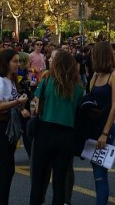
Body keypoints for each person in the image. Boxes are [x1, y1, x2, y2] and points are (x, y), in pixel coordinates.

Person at [29, 50, 84, 205]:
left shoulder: (47, 81)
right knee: (59, 182)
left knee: (39, 180)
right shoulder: (78, 87)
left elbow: (36, 106)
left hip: (45, 131)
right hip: (66, 135)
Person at [0, 49, 30, 205]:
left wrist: (22, 108)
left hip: (10, 126)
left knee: (3, 167)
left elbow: (13, 101)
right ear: (6, 63)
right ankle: (0, 200)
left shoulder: (11, 81)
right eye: (14, 61)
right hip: (1, 128)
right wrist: (18, 102)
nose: (17, 64)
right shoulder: (0, 81)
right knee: (7, 168)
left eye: (18, 61)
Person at [86, 42, 115, 205]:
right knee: (96, 173)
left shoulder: (114, 75)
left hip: (105, 129)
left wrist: (105, 133)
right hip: (92, 128)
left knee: (101, 175)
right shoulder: (95, 75)